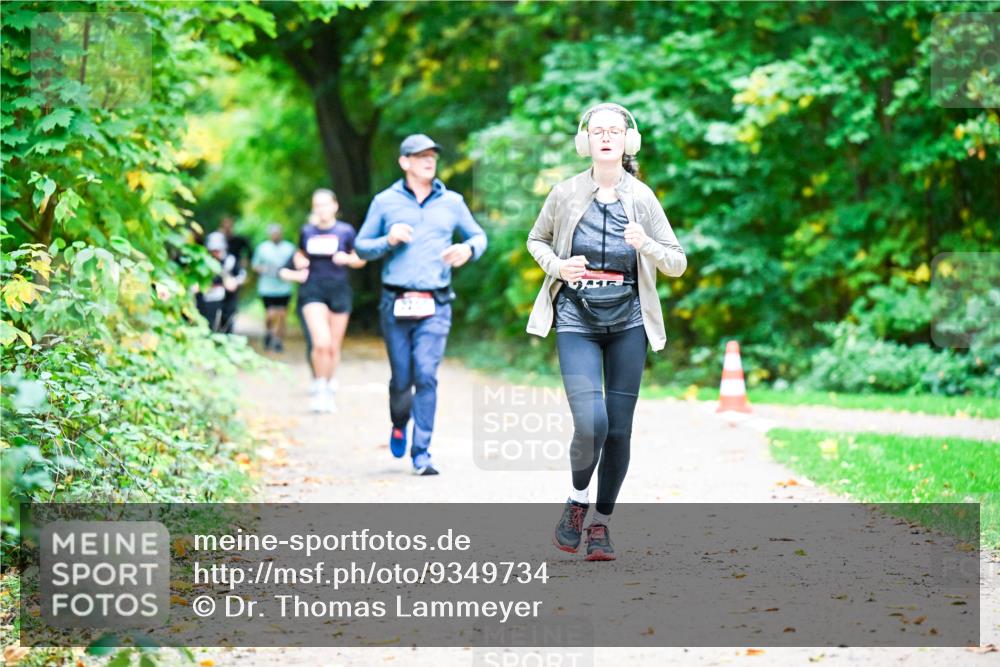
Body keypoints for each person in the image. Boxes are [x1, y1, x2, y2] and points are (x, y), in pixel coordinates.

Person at [525, 103, 687, 560]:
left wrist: (646, 244)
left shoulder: (643, 198)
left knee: (618, 431)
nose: (607, 137)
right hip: (576, 319)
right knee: (591, 423)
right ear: (587, 141)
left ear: (627, 142)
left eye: (615, 131)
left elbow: (677, 262)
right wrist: (559, 266)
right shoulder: (564, 193)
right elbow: (535, 239)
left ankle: (602, 525)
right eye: (599, 131)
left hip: (628, 324)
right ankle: (577, 502)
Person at [356, 134, 487, 476]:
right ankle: (399, 423)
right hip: (395, 302)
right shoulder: (385, 202)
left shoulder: (453, 202)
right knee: (402, 379)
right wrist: (388, 239)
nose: (429, 161)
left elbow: (478, 235)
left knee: (426, 375)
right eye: (420, 156)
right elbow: (360, 246)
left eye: (432, 155)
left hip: (436, 303)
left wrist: (468, 249)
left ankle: (422, 452)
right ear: (405, 162)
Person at [296, 189, 366, 413]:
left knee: (334, 347)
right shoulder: (307, 231)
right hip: (313, 289)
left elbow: (360, 259)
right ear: (313, 208)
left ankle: (327, 385)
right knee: (321, 342)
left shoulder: (345, 231)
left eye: (326, 204)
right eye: (317, 205)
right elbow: (300, 254)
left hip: (339, 289)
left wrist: (347, 258)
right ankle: (319, 386)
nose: (322, 209)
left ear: (335, 206)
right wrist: (299, 262)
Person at [252, 224, 297, 351]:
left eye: (278, 232)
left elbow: (295, 265)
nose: (276, 235)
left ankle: (278, 340)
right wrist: (266, 270)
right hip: (267, 288)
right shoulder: (262, 248)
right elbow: (255, 265)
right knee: (270, 314)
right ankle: (269, 333)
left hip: (284, 287)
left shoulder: (289, 248)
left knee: (282, 314)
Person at [196, 231, 247, 333]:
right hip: (208, 300)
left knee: (226, 324)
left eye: (218, 250)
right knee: (208, 324)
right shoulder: (202, 261)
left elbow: (241, 275)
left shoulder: (230, 261)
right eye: (213, 250)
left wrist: (234, 282)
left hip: (227, 300)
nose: (216, 253)